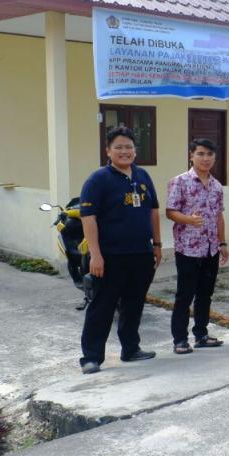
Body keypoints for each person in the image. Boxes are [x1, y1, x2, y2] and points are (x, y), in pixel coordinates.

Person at [78, 127, 162, 374]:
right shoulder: (98, 179)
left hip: (141, 253)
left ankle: (131, 349)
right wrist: (96, 255)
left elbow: (153, 212)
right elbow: (88, 218)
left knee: (134, 304)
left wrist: (157, 245)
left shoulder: (143, 176)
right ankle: (91, 357)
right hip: (109, 256)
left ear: (135, 150)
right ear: (108, 151)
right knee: (102, 306)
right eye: (118, 147)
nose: (124, 151)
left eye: (129, 147)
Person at [165, 138, 229, 355]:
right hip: (188, 249)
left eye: (210, 154)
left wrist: (222, 242)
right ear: (191, 156)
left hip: (211, 249)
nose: (205, 158)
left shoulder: (217, 186)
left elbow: (219, 216)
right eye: (200, 153)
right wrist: (188, 220)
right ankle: (180, 339)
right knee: (185, 295)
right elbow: (170, 211)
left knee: (205, 294)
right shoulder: (180, 182)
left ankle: (201, 334)